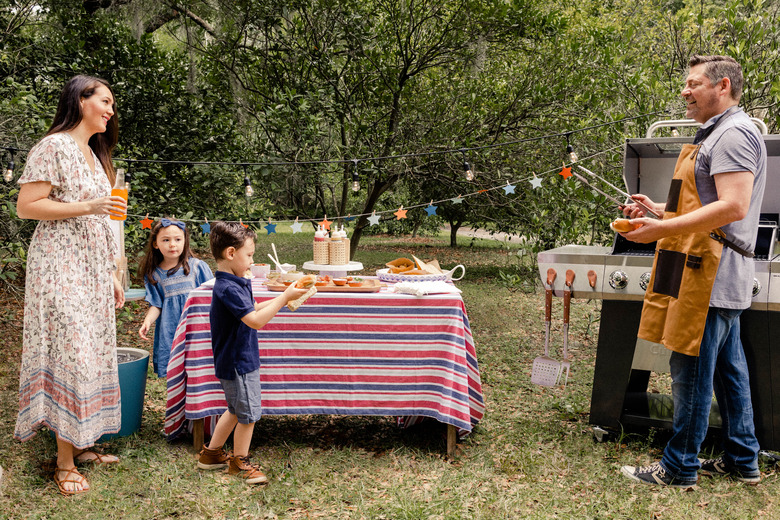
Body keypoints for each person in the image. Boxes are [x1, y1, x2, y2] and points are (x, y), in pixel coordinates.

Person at [619, 55, 765, 488]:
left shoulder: (733, 134)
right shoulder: (719, 132)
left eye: (693, 83)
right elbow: (706, 203)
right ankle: (743, 459)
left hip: (710, 276)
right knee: (729, 373)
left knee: (692, 371)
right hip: (714, 272)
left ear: (723, 86)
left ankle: (680, 466)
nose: (685, 91)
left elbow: (733, 206)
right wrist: (658, 210)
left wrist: (662, 229)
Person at [13, 75, 128, 495]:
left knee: (92, 352)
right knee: (72, 354)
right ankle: (63, 463)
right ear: (81, 100)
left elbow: (103, 221)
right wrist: (88, 205)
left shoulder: (94, 154)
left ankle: (81, 444)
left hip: (92, 269)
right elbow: (27, 206)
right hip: (59, 266)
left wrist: (112, 274)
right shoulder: (54, 146)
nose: (111, 110)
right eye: (105, 101)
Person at [197, 221, 308, 484]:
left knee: (235, 410)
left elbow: (254, 307)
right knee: (248, 415)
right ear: (231, 253)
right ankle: (240, 463)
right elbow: (256, 320)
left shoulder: (235, 281)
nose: (251, 261)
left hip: (236, 358)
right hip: (239, 362)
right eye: (249, 255)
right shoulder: (229, 288)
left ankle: (211, 455)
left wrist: (285, 297)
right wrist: (284, 298)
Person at [138, 218, 214, 377]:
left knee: (198, 368)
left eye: (178, 239)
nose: (172, 244)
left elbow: (212, 297)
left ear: (185, 241)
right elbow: (156, 304)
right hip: (171, 330)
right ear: (155, 244)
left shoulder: (197, 267)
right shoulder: (154, 275)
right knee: (176, 372)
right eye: (166, 240)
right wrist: (148, 321)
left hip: (196, 328)